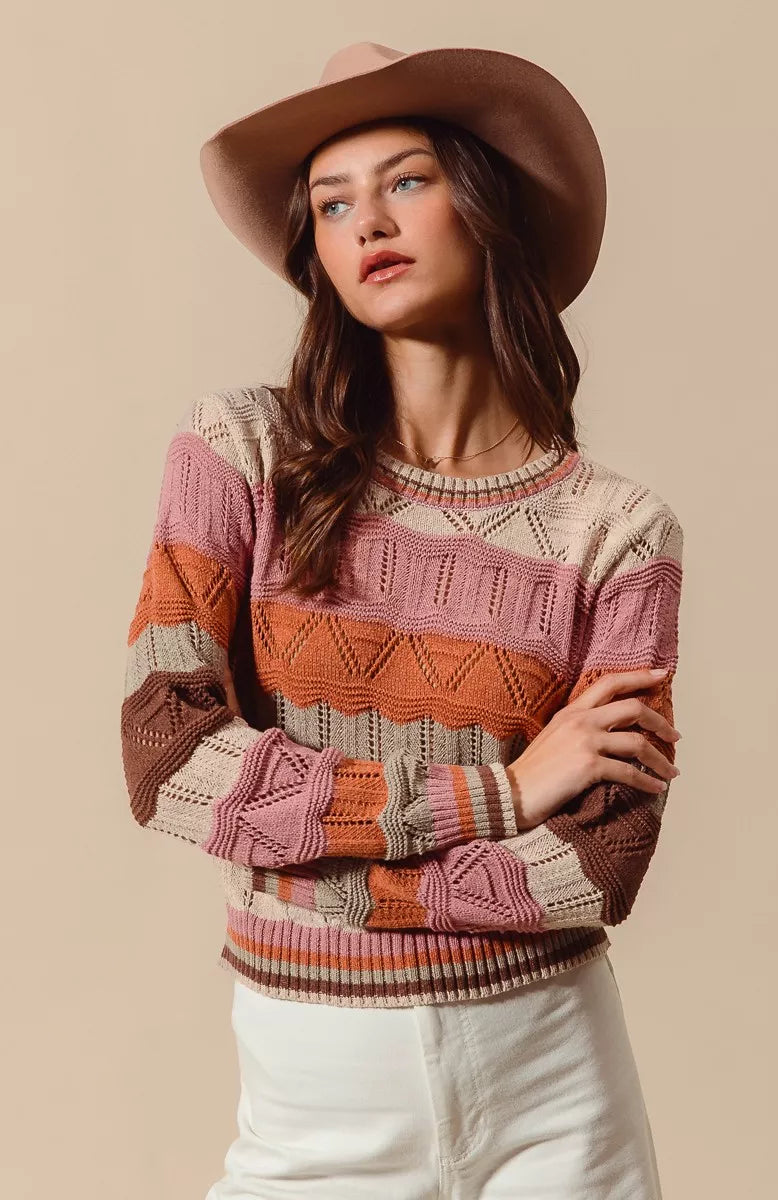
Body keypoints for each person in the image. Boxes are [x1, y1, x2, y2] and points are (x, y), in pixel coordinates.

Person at [120, 42, 684, 1199]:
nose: (367, 221)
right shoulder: (240, 455)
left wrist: (308, 871)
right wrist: (501, 794)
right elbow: (169, 760)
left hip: (554, 1088)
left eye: (407, 181)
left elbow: (591, 871)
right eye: (332, 204)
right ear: (316, 253)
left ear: (485, 207)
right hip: (313, 1098)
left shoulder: (615, 531)